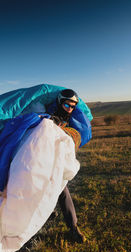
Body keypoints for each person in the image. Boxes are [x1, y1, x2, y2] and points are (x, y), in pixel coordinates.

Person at [48, 89, 86, 243]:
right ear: (59, 102)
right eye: (66, 105)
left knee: (62, 190)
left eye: (72, 106)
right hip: (42, 160)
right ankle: (49, 212)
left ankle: (73, 227)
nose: (69, 109)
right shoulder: (50, 116)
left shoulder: (67, 118)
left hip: (57, 162)